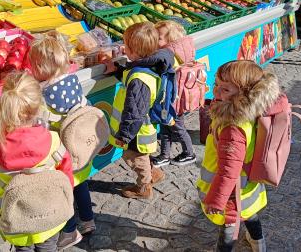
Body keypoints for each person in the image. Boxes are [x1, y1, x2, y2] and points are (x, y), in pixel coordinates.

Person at [0, 71, 74, 252]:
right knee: (49, 247)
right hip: (51, 214)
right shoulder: (53, 140)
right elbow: (67, 174)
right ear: (39, 106)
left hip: (17, 219)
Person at [198, 60, 285, 252]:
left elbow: (229, 171)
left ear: (244, 95)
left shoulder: (232, 127)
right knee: (250, 213)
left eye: (225, 90)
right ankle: (258, 243)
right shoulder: (252, 110)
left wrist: (216, 200)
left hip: (231, 193)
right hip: (247, 186)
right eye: (216, 85)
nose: (216, 92)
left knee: (229, 228)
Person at [28, 32, 96, 250]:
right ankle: (88, 220)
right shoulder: (72, 83)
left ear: (39, 67)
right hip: (80, 152)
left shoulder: (44, 98)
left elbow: (41, 129)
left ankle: (68, 232)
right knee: (81, 188)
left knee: (62, 196)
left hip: (61, 158)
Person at [107, 22, 171, 199]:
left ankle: (144, 187)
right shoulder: (144, 66)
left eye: (125, 46)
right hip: (138, 127)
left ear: (134, 52)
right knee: (142, 155)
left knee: (134, 157)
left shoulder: (139, 79)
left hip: (136, 131)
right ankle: (154, 174)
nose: (123, 48)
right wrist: (117, 71)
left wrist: (124, 135)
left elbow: (134, 110)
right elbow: (130, 76)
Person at [149, 20, 196, 168]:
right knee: (165, 127)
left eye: (159, 38)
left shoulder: (169, 56)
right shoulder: (179, 52)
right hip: (170, 101)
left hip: (173, 103)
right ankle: (164, 155)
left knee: (178, 128)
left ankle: (189, 153)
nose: (156, 41)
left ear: (171, 41)